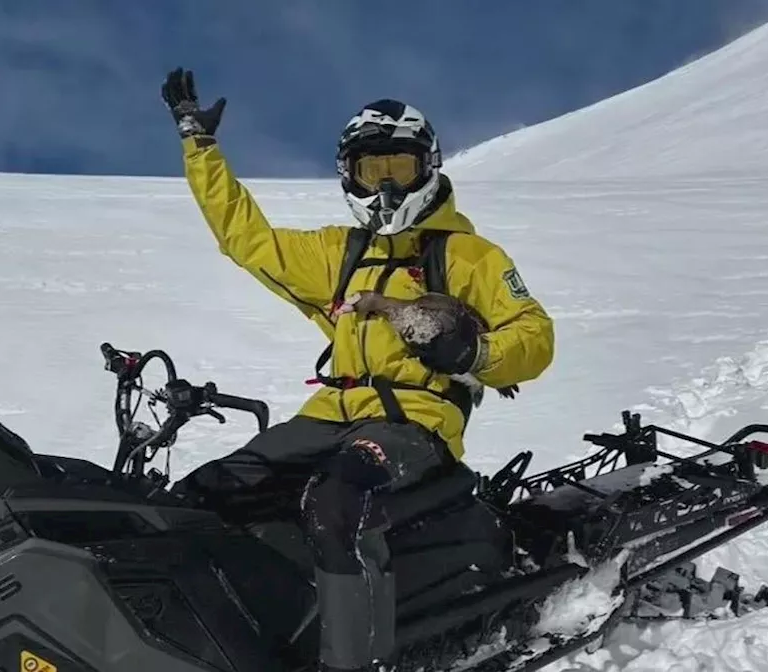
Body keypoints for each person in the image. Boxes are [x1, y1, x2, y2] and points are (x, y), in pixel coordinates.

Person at [160, 67, 554, 672]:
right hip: (324, 418)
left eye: (401, 166)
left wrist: (473, 354)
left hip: (411, 422)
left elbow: (534, 336)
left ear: (430, 166)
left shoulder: (469, 256)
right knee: (198, 498)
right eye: (374, 171)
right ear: (351, 175)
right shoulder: (341, 255)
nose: (389, 186)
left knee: (337, 503)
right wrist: (200, 145)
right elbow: (246, 237)